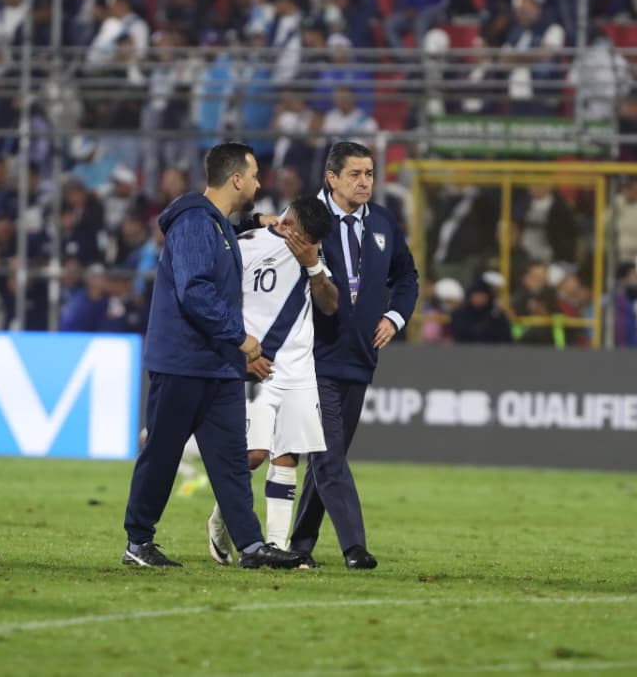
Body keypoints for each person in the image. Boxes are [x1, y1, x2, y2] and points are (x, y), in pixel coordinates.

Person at [122, 143, 301, 570]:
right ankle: (138, 541)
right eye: (254, 176)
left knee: (231, 462)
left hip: (217, 366)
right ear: (236, 179)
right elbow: (195, 291)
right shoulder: (193, 223)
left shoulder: (214, 224)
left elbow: (224, 237)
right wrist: (239, 338)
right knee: (162, 455)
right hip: (182, 363)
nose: (258, 183)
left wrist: (258, 222)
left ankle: (251, 546)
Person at [289, 142, 419, 570]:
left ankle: (300, 545)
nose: (365, 182)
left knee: (327, 457)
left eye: (370, 174)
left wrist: (395, 317)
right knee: (328, 456)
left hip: (360, 357)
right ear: (332, 178)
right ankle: (354, 548)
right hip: (313, 356)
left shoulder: (381, 222)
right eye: (355, 174)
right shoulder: (306, 219)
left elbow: (407, 276)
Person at [206, 197, 339, 564]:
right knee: (252, 455)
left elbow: (330, 305)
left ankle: (278, 547)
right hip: (256, 365)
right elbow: (219, 300)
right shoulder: (247, 244)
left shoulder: (313, 255)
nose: (307, 245)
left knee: (288, 456)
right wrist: (239, 351)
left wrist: (312, 264)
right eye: (304, 238)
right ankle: (220, 520)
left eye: (313, 242)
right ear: (287, 224)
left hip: (298, 369)